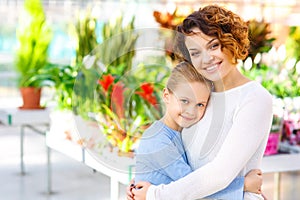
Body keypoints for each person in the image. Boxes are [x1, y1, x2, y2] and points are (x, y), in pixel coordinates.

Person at [130, 4, 273, 200]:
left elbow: (219, 175)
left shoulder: (254, 98)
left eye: (213, 45)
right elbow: (176, 155)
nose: (206, 58)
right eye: (195, 52)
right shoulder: (201, 95)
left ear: (231, 42)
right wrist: (142, 184)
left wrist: (154, 194)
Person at [133, 61, 263, 199]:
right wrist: (244, 185)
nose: (191, 111)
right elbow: (194, 188)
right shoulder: (157, 139)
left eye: (200, 104)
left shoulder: (183, 131)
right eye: (184, 101)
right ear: (166, 96)